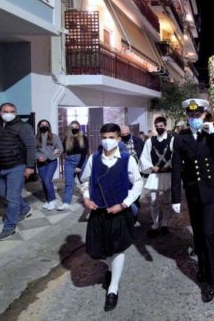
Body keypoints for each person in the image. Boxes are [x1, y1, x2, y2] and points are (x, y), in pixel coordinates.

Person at [79, 123, 144, 311]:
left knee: (117, 248)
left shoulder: (127, 159)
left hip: (119, 211)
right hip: (98, 211)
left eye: (111, 137)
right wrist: (86, 198)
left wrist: (124, 203)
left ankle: (113, 289)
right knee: (98, 249)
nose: (107, 141)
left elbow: (138, 183)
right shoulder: (94, 159)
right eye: (104, 137)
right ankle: (110, 268)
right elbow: (84, 180)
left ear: (118, 139)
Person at [171, 99, 214, 302]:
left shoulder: (212, 133)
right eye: (191, 115)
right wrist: (175, 197)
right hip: (193, 192)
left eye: (198, 115)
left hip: (211, 192)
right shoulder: (181, 138)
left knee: (209, 233)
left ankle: (209, 281)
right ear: (187, 116)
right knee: (199, 234)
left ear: (205, 115)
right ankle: (204, 266)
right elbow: (176, 168)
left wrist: (213, 133)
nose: (195, 118)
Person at [0, 103, 36, 241]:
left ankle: (9, 227)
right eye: (6, 111)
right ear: (0, 112)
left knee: (12, 198)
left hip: (16, 167)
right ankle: (25, 209)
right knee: (4, 196)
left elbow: (31, 147)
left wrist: (30, 166)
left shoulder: (23, 127)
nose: (9, 114)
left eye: (12, 111)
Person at [140, 116, 174, 237]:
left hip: (167, 173)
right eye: (157, 126)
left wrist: (168, 166)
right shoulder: (150, 141)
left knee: (167, 201)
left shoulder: (172, 140)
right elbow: (144, 157)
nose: (159, 128)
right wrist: (151, 167)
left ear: (165, 126)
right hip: (154, 175)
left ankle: (164, 223)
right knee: (153, 202)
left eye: (161, 126)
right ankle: (155, 224)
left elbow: (175, 155)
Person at [36, 120, 63, 211]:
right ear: (39, 126)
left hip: (52, 162)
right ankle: (48, 200)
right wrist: (38, 157)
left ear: (49, 126)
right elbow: (32, 151)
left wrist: (50, 156)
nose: (44, 126)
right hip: (40, 163)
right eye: (42, 124)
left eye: (46, 124)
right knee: (44, 182)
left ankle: (52, 200)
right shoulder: (35, 138)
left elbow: (60, 149)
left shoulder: (54, 137)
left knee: (47, 180)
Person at [62, 121, 89, 211]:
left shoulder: (83, 137)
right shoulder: (67, 138)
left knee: (84, 182)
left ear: (79, 127)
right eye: (72, 127)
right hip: (69, 161)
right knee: (69, 182)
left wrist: (79, 166)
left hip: (81, 160)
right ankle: (66, 202)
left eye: (76, 127)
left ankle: (88, 200)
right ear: (70, 128)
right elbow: (63, 149)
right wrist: (56, 150)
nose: (74, 128)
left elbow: (85, 152)